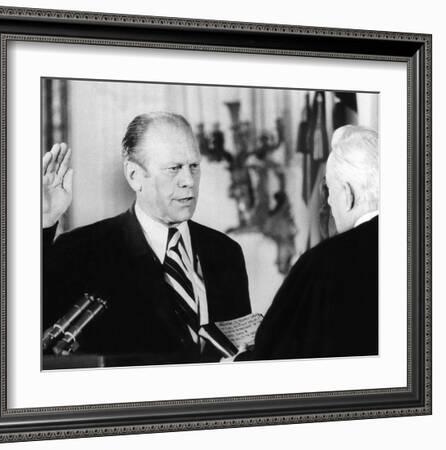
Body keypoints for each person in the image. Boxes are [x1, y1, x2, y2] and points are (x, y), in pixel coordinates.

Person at [43, 112, 251, 367]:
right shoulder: (84, 250)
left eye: (194, 166)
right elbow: (29, 335)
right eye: (173, 168)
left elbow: (241, 350)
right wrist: (45, 223)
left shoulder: (226, 252)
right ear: (134, 176)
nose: (188, 181)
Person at [252, 125, 379, 360]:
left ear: (348, 195)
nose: (328, 201)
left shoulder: (322, 263)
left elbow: (271, 356)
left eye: (329, 190)